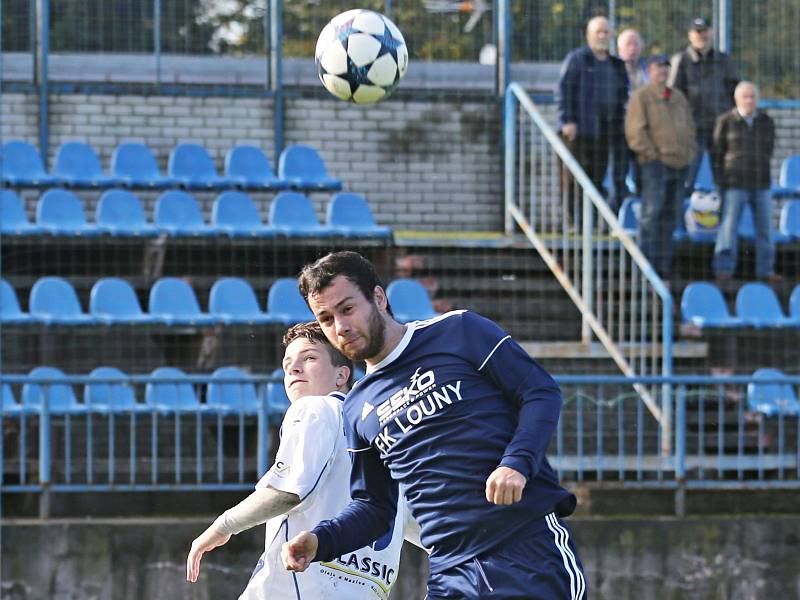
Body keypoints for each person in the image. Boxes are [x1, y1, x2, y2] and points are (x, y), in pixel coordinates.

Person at [282, 251, 585, 600]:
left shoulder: (459, 330)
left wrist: (516, 462)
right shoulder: (356, 408)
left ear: (378, 298)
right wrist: (322, 540)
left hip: (523, 551)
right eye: (326, 318)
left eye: (347, 309)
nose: (340, 327)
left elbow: (540, 391)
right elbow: (376, 508)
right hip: (449, 572)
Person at [186, 321, 411, 599]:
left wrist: (223, 526)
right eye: (287, 363)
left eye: (310, 358)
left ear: (342, 375)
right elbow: (416, 522)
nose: (293, 368)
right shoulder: (379, 432)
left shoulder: (315, 407)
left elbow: (289, 493)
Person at [625, 54, 697, 280]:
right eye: (657, 68)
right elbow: (635, 132)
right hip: (655, 166)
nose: (662, 73)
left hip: (679, 165)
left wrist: (689, 154)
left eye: (665, 69)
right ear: (649, 71)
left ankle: (663, 265)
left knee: (671, 216)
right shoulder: (642, 97)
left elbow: (690, 130)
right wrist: (652, 155)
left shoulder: (678, 97)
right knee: (651, 214)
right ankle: (645, 266)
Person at [557, 16, 630, 215]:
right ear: (589, 35)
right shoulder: (577, 59)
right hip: (580, 130)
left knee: (598, 178)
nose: (602, 36)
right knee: (575, 179)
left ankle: (593, 220)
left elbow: (623, 96)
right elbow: (564, 91)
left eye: (606, 32)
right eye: (598, 31)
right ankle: (574, 221)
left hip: (605, 131)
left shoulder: (617, 65)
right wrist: (567, 121)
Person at [711, 81, 779, 282]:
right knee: (728, 228)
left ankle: (766, 271)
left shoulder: (766, 121)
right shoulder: (725, 121)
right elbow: (717, 152)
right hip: (734, 183)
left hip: (761, 183)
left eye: (752, 96)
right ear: (736, 99)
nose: (749, 100)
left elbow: (769, 148)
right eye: (745, 96)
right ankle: (723, 270)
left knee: (765, 230)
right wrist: (721, 180)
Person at [669, 16, 740, 195]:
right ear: (690, 35)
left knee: (724, 180)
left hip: (720, 128)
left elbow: (735, 92)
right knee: (686, 179)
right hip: (692, 130)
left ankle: (724, 221)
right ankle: (680, 221)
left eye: (705, 31)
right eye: (697, 32)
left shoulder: (724, 61)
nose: (702, 35)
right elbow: (672, 95)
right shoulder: (681, 60)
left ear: (712, 32)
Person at [617, 28, 648, 194]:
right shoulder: (613, 68)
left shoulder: (647, 70)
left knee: (643, 175)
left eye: (635, 44)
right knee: (619, 176)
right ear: (619, 48)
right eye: (628, 44)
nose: (632, 48)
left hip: (643, 131)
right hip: (619, 131)